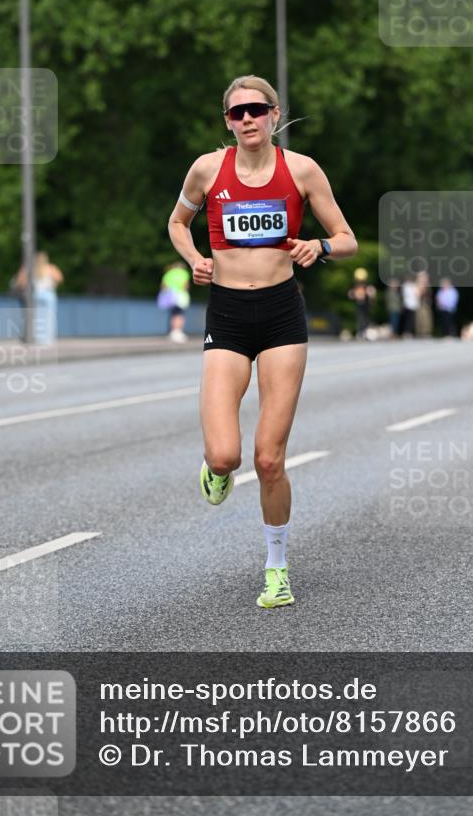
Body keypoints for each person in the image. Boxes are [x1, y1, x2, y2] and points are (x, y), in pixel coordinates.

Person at [168, 75, 357, 608]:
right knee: (226, 454)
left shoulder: (301, 170)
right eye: (237, 113)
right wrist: (194, 259)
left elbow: (347, 240)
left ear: (275, 115)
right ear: (227, 122)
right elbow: (178, 223)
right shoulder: (208, 169)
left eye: (257, 110)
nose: (247, 119)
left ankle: (277, 569)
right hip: (226, 315)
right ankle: (216, 469)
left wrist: (317, 246)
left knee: (270, 459)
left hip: (280, 316)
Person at [14, 251, 63, 344]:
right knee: (49, 317)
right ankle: (47, 338)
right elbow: (59, 278)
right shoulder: (50, 268)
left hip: (35, 294)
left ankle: (36, 337)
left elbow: (20, 282)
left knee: (35, 317)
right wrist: (54, 284)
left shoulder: (29, 268)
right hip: (48, 294)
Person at [159, 261, 191, 342]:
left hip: (170, 296)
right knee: (179, 314)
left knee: (173, 314)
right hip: (180, 296)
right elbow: (185, 285)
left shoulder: (168, 273)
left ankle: (172, 332)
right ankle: (178, 332)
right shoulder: (183, 273)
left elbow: (163, 286)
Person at [347, 268, 376, 340]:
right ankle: (361, 332)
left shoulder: (367, 286)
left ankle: (365, 332)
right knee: (360, 318)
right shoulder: (356, 286)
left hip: (366, 304)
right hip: (359, 304)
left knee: (365, 318)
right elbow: (351, 295)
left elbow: (372, 294)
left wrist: (371, 297)